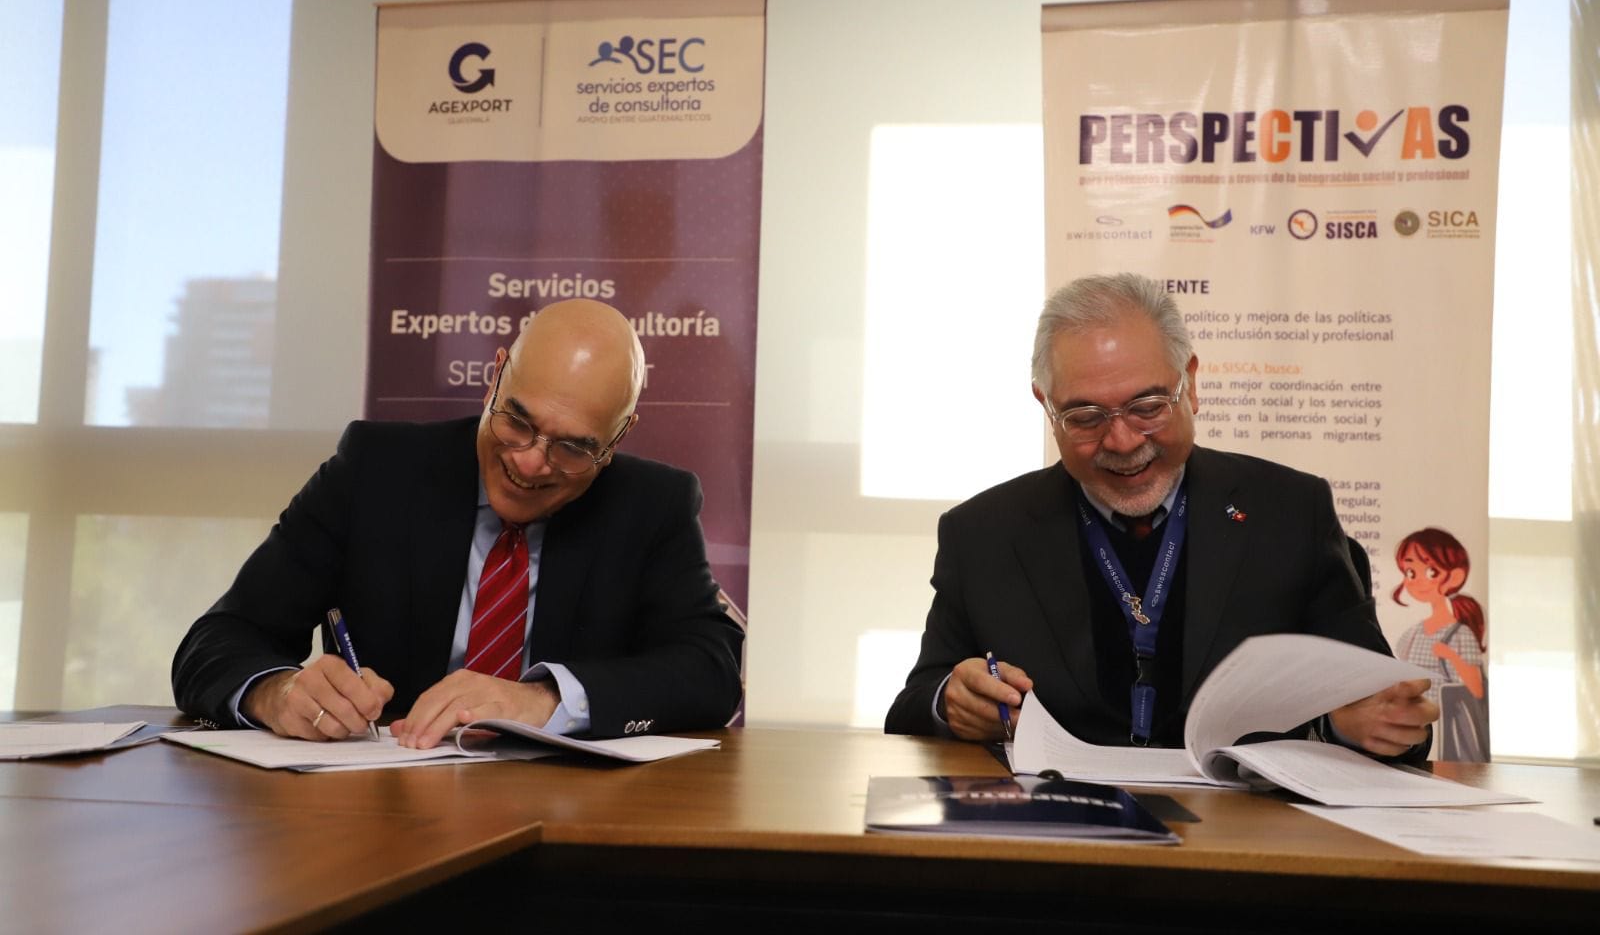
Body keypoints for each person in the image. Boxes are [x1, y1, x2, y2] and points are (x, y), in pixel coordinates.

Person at [884, 273, 1436, 758]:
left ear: (1190, 383)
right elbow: (913, 707)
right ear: (1045, 407)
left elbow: (1392, 710)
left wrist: (1356, 725)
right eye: (1085, 416)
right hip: (1057, 826)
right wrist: (950, 702)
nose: (1122, 441)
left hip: (1243, 833)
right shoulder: (983, 533)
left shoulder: (1291, 513)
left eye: (1147, 407)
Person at [173, 299, 744, 748]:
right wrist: (277, 693)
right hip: (382, 810)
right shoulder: (374, 471)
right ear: (494, 378)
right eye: (516, 420)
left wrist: (544, 701)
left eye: (573, 448)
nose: (529, 463)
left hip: (571, 818)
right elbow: (218, 641)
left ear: (616, 440)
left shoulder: (653, 505)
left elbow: (712, 670)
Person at [1391, 527, 1489, 760]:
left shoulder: (1460, 634)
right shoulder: (1412, 634)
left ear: (1454, 577)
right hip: (1412, 739)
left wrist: (1451, 655)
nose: (1417, 580)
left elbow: (1476, 689)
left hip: (1450, 734)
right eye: (1410, 572)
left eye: (1431, 571)